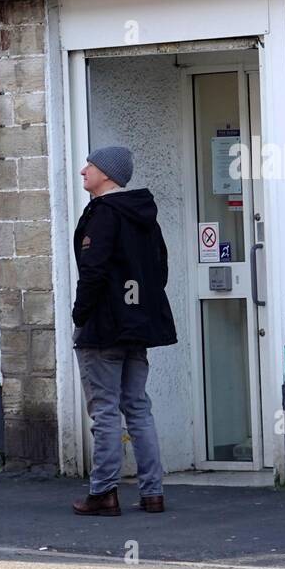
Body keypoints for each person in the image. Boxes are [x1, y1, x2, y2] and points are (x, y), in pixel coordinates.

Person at [71, 145, 178, 516]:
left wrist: (80, 315)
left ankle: (104, 491)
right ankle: (153, 493)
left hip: (103, 327)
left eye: (91, 165)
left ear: (108, 174)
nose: (84, 171)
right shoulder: (143, 215)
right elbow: (160, 271)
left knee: (104, 411)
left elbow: (93, 271)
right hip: (138, 326)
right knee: (137, 407)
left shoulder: (103, 214)